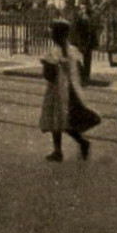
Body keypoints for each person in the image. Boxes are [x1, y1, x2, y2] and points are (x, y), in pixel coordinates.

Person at [39, 19, 98, 161]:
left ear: (55, 35)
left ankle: (60, 150)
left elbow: (48, 75)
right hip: (72, 90)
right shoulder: (73, 51)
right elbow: (82, 71)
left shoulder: (52, 52)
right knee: (65, 119)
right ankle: (80, 142)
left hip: (57, 90)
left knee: (57, 119)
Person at [71, 0, 100, 83]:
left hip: (88, 41)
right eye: (82, 8)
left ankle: (86, 75)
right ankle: (81, 75)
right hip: (79, 41)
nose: (83, 9)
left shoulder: (90, 16)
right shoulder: (77, 16)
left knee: (87, 59)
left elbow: (93, 29)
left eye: (85, 8)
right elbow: (75, 29)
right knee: (78, 59)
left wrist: (94, 42)